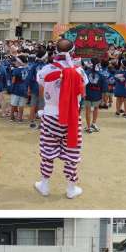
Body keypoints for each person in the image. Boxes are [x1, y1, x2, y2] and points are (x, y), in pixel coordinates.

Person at [35, 38, 87, 200]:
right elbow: (83, 91)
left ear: (55, 51)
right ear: (73, 52)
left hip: (50, 115)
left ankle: (44, 185)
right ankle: (71, 188)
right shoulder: (79, 71)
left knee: (47, 151)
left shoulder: (46, 69)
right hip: (72, 116)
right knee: (72, 152)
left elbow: (41, 89)